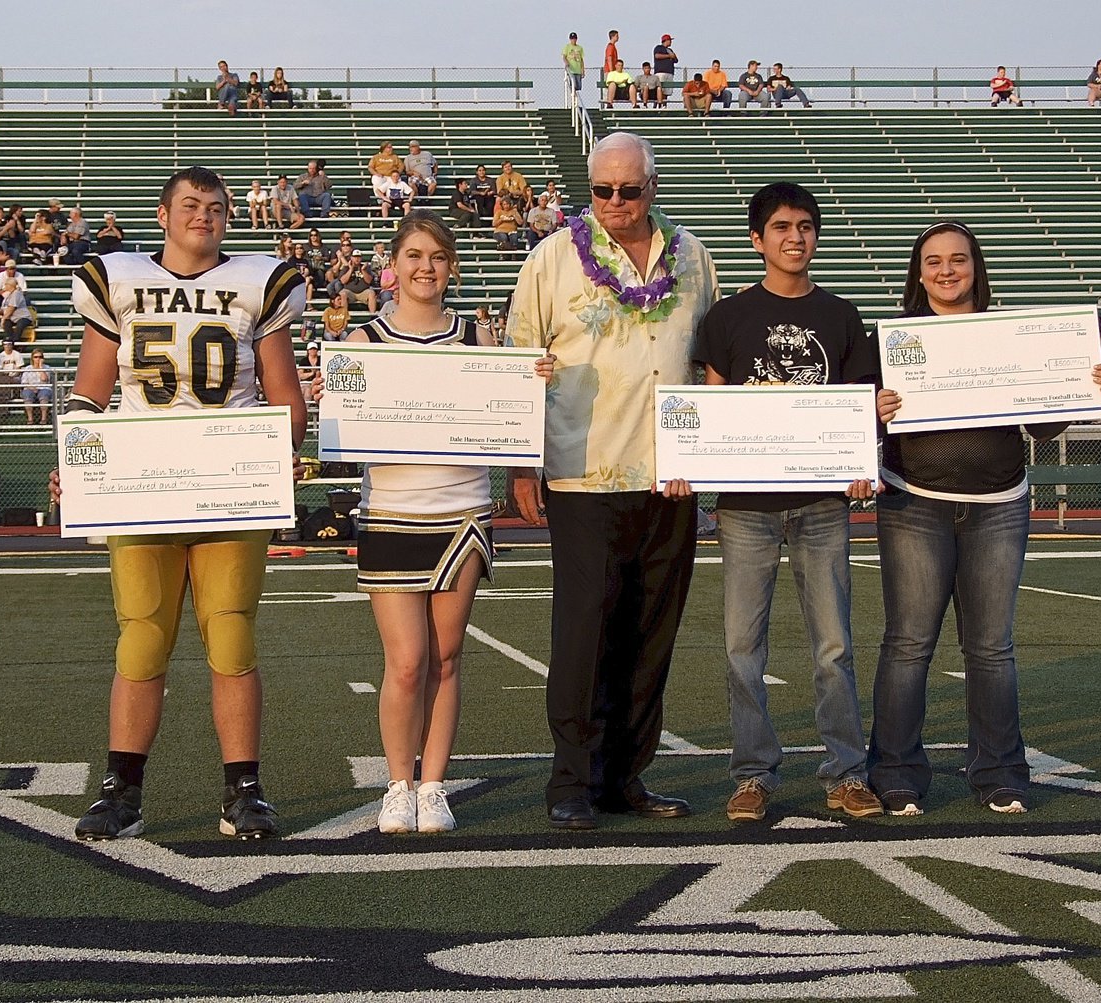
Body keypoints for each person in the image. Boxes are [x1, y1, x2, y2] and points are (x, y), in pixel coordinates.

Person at [61, 165, 307, 841]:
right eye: (192, 204)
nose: (206, 214)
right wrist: (75, 462)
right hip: (146, 489)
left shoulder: (259, 283)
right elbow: (90, 391)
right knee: (141, 638)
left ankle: (244, 787)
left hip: (228, 489)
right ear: (163, 214)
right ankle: (121, 789)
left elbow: (288, 400)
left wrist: (275, 441)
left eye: (218, 206)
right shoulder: (119, 279)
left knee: (230, 631)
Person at [507, 132, 720, 830]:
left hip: (673, 477)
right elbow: (516, 363)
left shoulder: (694, 258)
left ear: (653, 188)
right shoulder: (550, 258)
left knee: (651, 631)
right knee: (582, 631)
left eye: (630, 190)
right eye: (603, 190)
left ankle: (627, 775)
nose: (616, 203)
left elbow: (711, 361)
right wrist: (520, 459)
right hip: (583, 469)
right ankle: (571, 778)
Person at [868, 221, 1101, 817]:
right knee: (908, 644)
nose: (946, 271)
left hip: (1000, 505)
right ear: (917, 272)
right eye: (933, 261)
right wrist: (873, 411)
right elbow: (866, 426)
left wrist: (1083, 387)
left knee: (991, 648)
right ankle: (895, 772)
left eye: (958, 260)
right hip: (914, 502)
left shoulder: (1012, 337)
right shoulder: (894, 340)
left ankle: (999, 771)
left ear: (977, 267)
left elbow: (1044, 426)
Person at [322, 210, 552, 835]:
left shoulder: (478, 340)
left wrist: (531, 383)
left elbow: (510, 416)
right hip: (393, 515)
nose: (427, 267)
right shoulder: (363, 343)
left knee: (446, 657)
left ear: (451, 266)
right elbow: (341, 441)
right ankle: (398, 782)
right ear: (392, 266)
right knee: (405, 661)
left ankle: (433, 786)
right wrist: (334, 401)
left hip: (463, 512)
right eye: (415, 256)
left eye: (439, 257)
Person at [691, 182, 882, 823]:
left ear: (816, 234)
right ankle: (752, 774)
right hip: (746, 507)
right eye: (780, 226)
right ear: (757, 238)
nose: (794, 237)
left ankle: (846, 773)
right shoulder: (727, 319)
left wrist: (861, 465)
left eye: (805, 225)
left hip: (824, 504)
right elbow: (712, 412)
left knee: (833, 646)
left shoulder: (842, 316)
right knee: (743, 649)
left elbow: (861, 411)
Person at [19, 346, 53, 424]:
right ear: (32, 358)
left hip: (44, 387)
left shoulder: (47, 368)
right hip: (30, 388)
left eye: (40, 357)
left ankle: (44, 419)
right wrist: (31, 387)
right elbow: (24, 382)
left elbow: (44, 379)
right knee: (27, 394)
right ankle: (30, 419)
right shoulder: (28, 368)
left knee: (44, 395)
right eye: (36, 357)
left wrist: (41, 367)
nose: (38, 359)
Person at [652, 34, 677, 106]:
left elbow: (676, 60)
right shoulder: (659, 47)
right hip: (661, 72)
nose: (671, 42)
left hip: (669, 72)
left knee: (667, 91)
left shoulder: (670, 50)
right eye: (669, 40)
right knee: (660, 89)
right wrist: (669, 56)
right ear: (665, 41)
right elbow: (657, 56)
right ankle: (658, 105)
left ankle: (664, 105)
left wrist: (673, 56)